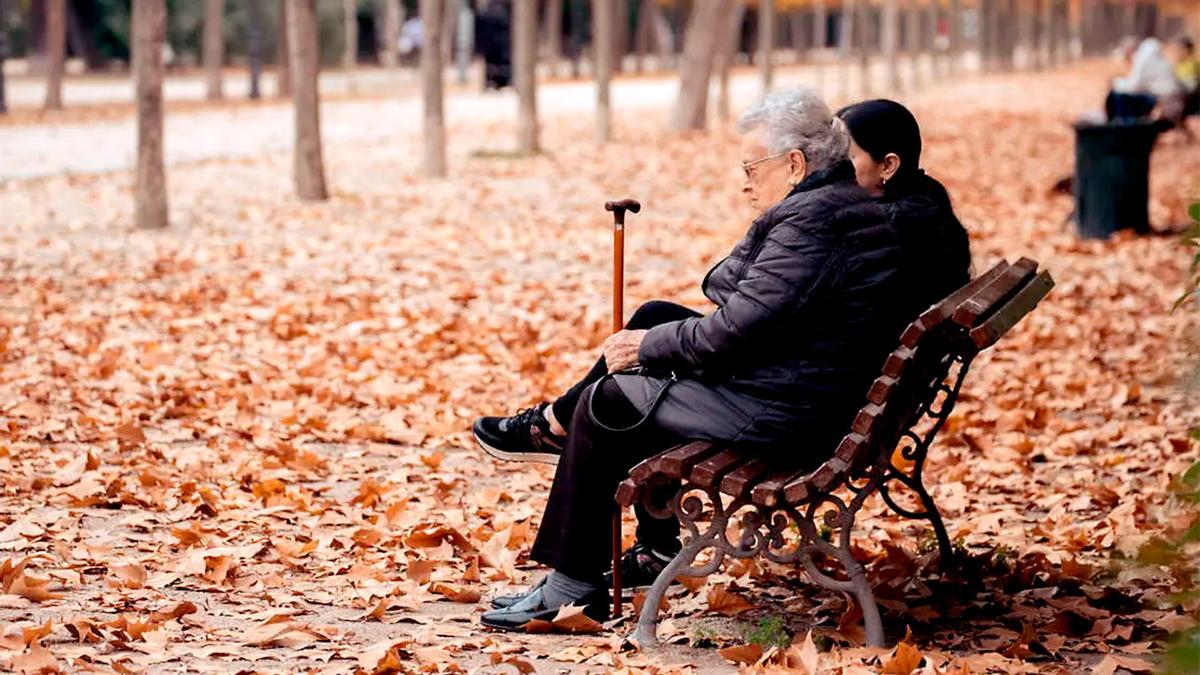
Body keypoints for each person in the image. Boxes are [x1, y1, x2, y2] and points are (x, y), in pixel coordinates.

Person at [472, 88, 912, 631]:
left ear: (794, 164)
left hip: (788, 411)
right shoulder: (837, 205)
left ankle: (571, 584)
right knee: (653, 322)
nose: (745, 180)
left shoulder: (812, 222)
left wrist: (648, 348)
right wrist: (666, 333)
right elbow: (733, 289)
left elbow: (735, 326)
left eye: (753, 166)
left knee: (609, 400)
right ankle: (570, 456)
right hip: (807, 387)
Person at [835, 100, 971, 320]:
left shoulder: (882, 228)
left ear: (888, 166)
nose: (832, 166)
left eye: (846, 157)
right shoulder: (927, 198)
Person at [1107, 37, 1185, 122]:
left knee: (1119, 96)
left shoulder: (1142, 60)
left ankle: (1125, 125)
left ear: (1130, 51)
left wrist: (1115, 83)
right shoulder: (1156, 58)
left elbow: (1134, 87)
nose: (1126, 60)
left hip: (1164, 104)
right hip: (1173, 102)